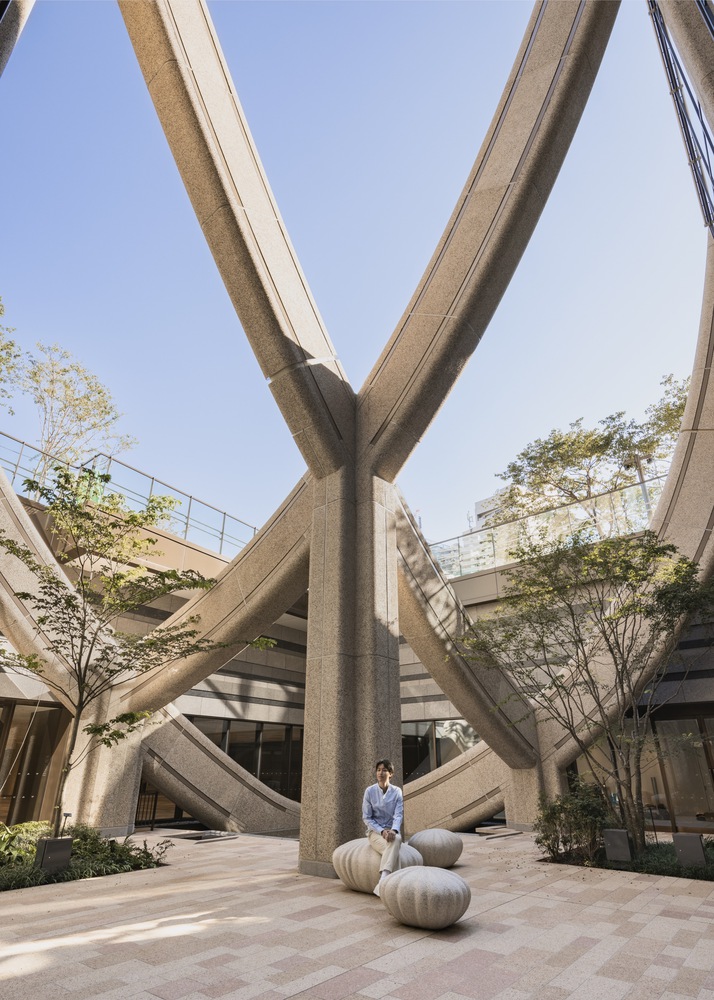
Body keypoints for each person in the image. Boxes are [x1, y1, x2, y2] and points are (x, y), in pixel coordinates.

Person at [362, 758, 403, 896]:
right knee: (394, 849)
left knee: (396, 840)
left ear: (390, 773)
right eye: (378, 770)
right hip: (375, 832)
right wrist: (382, 831)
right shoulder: (370, 791)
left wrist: (393, 830)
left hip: (391, 831)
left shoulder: (397, 791)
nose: (380, 773)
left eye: (384, 770)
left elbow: (398, 815)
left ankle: (383, 882)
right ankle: (392, 886)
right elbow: (367, 818)